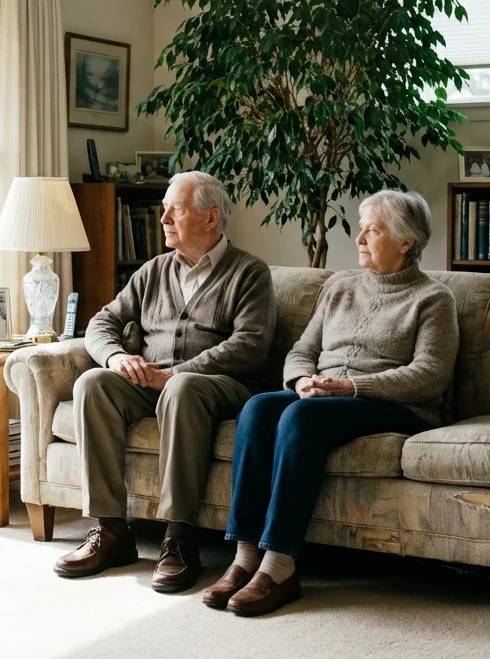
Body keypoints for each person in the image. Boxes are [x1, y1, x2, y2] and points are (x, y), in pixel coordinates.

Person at [202, 190, 458, 616]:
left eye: (371, 230)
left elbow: (430, 375)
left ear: (406, 241)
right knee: (259, 408)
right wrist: (302, 379)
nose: (358, 238)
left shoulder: (433, 299)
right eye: (361, 228)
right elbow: (303, 349)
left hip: (392, 405)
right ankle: (245, 557)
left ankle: (280, 566)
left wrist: (352, 388)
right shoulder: (339, 286)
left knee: (303, 416)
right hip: (325, 397)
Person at [55, 170, 278, 594]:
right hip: (151, 381)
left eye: (173, 210)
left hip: (218, 386)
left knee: (182, 387)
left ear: (211, 218)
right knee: (92, 383)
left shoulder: (250, 272)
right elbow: (103, 321)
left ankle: (179, 537)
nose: (162, 220)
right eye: (163, 211)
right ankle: (112, 531)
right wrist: (118, 358)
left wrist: (174, 373)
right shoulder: (153, 271)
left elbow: (250, 345)